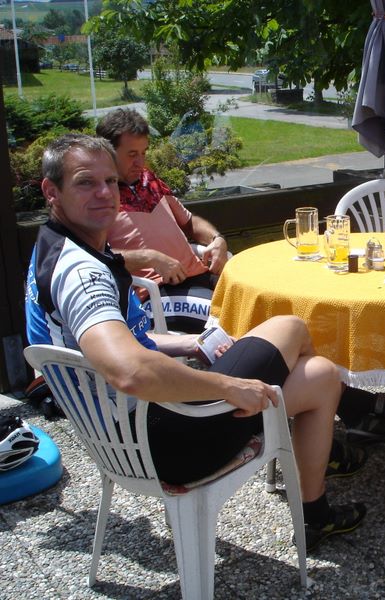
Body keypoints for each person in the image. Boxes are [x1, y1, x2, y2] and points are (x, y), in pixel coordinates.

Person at [25, 134, 366, 551]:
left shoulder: (54, 248)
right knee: (292, 327)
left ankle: (317, 511)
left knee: (320, 374)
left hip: (123, 435)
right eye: (85, 182)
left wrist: (190, 345)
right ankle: (324, 440)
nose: (104, 193)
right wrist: (228, 386)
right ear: (51, 191)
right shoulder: (83, 275)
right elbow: (130, 370)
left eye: (110, 181)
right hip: (167, 441)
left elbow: (123, 343)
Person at [96, 108, 228, 333]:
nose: (140, 162)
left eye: (144, 152)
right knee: (230, 317)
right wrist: (151, 258)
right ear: (107, 153)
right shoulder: (99, 198)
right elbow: (96, 257)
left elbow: (190, 222)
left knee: (254, 300)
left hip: (197, 276)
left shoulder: (149, 180)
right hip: (155, 295)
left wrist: (218, 240)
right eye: (132, 154)